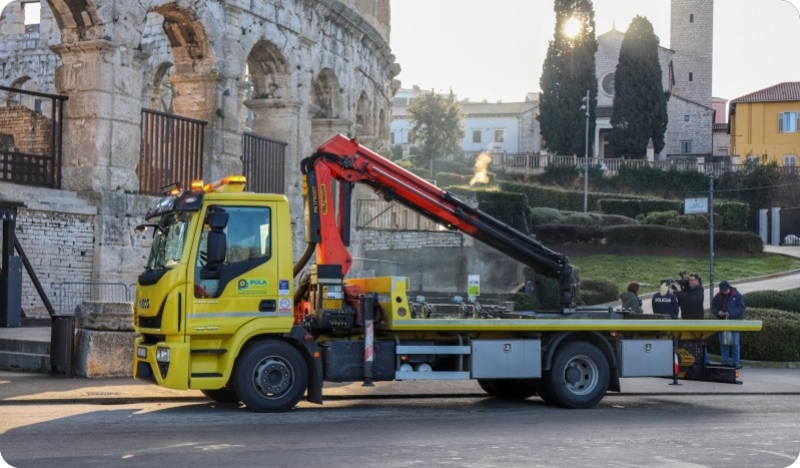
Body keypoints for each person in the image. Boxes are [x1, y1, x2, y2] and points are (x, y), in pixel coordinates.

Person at [710, 280, 746, 367]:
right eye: (722, 290)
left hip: (734, 322)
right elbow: (713, 307)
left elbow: (741, 308)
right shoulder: (718, 296)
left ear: (729, 288)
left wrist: (730, 313)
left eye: (725, 290)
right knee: (723, 343)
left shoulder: (737, 295)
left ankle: (736, 362)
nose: (724, 292)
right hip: (722, 322)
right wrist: (718, 312)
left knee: (735, 343)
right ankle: (725, 361)